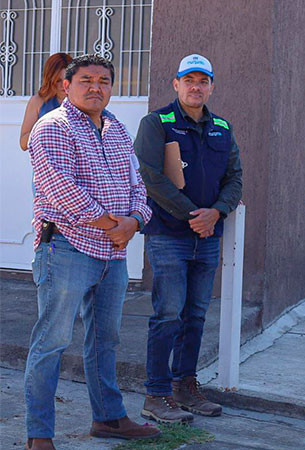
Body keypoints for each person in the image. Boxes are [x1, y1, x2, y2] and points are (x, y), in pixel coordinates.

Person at [24, 54, 160, 450]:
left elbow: (137, 184)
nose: (95, 87)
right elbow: (60, 189)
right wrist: (113, 225)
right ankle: (39, 435)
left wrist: (134, 221)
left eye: (103, 81)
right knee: (51, 341)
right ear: (66, 86)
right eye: (86, 80)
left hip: (113, 254)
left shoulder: (116, 128)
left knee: (106, 340)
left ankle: (109, 418)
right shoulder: (52, 126)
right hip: (66, 248)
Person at [135, 54, 243, 424]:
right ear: (176, 84)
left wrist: (218, 211)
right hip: (169, 236)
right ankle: (156, 394)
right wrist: (193, 215)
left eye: (203, 81)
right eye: (189, 80)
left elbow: (235, 177)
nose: (196, 87)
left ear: (211, 86)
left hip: (208, 236)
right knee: (168, 314)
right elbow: (150, 176)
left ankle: (184, 387)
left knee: (195, 315)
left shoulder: (222, 128)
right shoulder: (157, 123)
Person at [19, 53, 73, 151]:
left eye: (67, 80)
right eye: (58, 80)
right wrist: (47, 130)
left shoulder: (83, 101)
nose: (63, 85)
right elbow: (23, 143)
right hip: (46, 158)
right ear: (50, 79)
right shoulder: (38, 101)